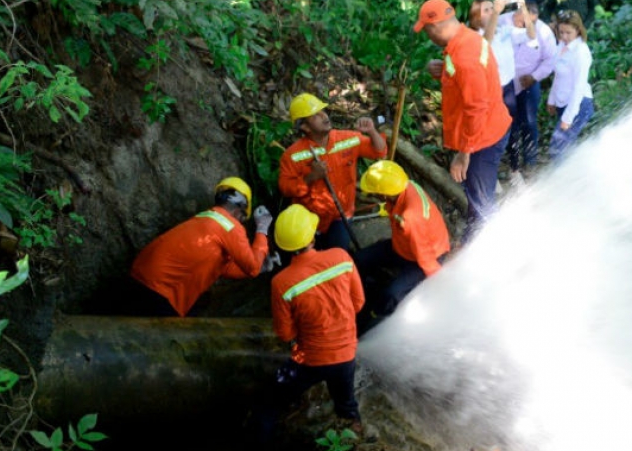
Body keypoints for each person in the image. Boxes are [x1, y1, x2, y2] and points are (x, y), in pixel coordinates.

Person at [415, 0, 512, 240]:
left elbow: (476, 107)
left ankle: (487, 246)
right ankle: (479, 237)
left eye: (426, 30)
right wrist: (442, 69)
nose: (427, 36)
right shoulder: (466, 39)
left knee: (481, 202)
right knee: (479, 196)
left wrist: (464, 153)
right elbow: (469, 81)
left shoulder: (464, 57)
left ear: (436, 27)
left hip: (483, 138)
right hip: (488, 129)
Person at [268, 204, 365, 432]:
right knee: (347, 406)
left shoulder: (281, 282)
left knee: (271, 400)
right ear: (312, 236)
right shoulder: (341, 257)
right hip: (346, 356)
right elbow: (358, 303)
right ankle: (356, 442)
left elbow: (285, 333)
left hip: (310, 360)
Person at [129, 177, 272, 317]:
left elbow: (223, 267)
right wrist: (262, 228)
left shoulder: (204, 218)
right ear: (239, 211)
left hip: (139, 276)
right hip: (160, 290)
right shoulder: (230, 227)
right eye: (243, 218)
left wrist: (261, 267)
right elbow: (252, 267)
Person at [279, 92, 386, 252]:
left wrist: (371, 131)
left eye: (323, 111)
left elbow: (379, 151)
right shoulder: (293, 155)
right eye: (315, 115)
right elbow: (286, 189)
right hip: (310, 219)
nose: (323, 116)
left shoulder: (347, 139)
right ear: (305, 127)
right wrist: (311, 177)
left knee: (337, 254)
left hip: (340, 216)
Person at [352, 161, 450, 333]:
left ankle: (371, 321)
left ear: (385, 194)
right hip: (403, 245)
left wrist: (439, 285)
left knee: (390, 294)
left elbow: (425, 257)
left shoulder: (411, 217)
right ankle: (359, 293)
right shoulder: (406, 186)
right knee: (359, 260)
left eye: (376, 192)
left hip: (426, 256)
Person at [509, 0, 558, 179]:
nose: (525, 24)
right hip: (506, 83)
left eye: (531, 21)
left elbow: (550, 61)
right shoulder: (504, 22)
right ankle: (512, 164)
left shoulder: (544, 33)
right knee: (509, 123)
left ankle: (529, 160)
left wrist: (534, 77)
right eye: (522, 20)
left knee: (529, 122)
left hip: (529, 82)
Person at [468, 0, 517, 157]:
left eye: (491, 9)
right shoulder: (474, 36)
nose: (490, 13)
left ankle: (512, 167)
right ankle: (489, 168)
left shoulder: (502, 29)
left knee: (510, 127)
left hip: (509, 86)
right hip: (492, 91)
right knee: (493, 132)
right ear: (476, 16)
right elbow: (485, 44)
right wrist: (496, 12)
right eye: (486, 10)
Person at [546, 10, 595, 163]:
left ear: (578, 30)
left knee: (557, 147)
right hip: (562, 102)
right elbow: (559, 76)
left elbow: (578, 88)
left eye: (568, 33)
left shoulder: (581, 52)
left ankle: (563, 182)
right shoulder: (561, 45)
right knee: (566, 149)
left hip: (578, 105)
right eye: (561, 32)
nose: (565, 37)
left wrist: (568, 117)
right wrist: (552, 100)